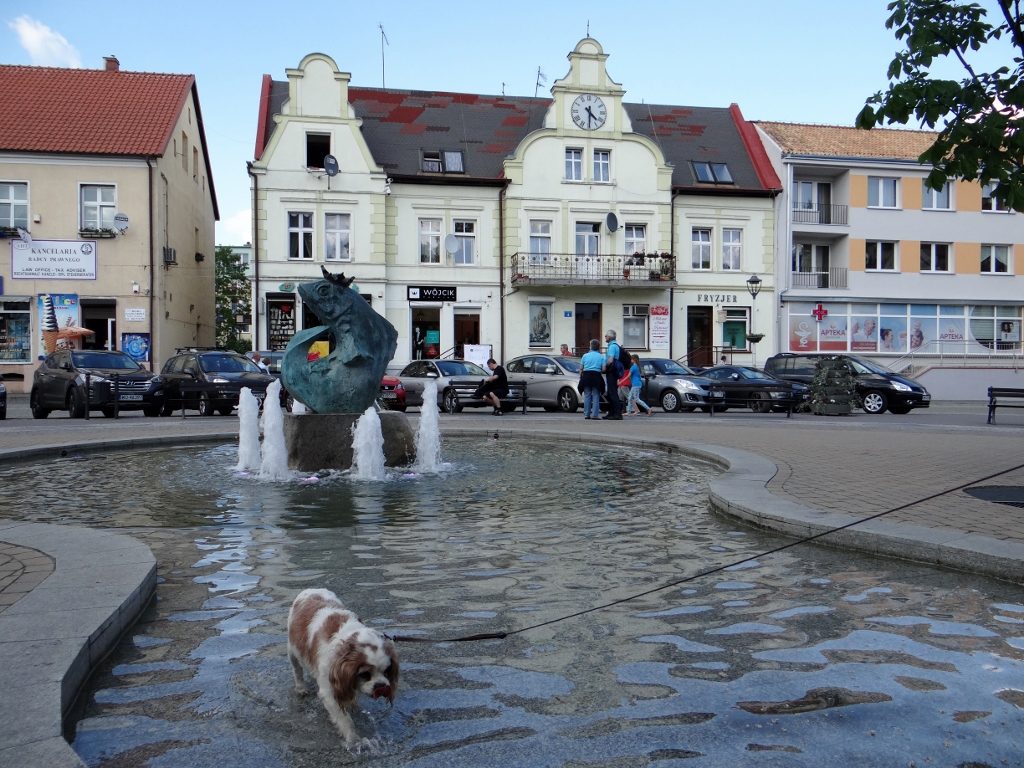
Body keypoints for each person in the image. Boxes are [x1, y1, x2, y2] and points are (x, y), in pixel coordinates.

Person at [579, 339, 605, 420]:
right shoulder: (601, 356)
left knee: (587, 395)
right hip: (596, 376)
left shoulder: (585, 356)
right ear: (598, 347)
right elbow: (604, 369)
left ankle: (587, 414)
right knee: (596, 395)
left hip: (586, 375)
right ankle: (595, 415)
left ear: (590, 346)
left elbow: (581, 368)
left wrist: (581, 376)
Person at [602, 329, 623, 420]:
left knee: (612, 393)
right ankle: (611, 413)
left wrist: (604, 367)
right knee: (611, 393)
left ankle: (617, 414)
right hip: (614, 371)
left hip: (612, 371)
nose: (605, 337)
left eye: (606, 335)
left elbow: (610, 360)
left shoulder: (612, 346)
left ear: (610, 337)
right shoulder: (615, 345)